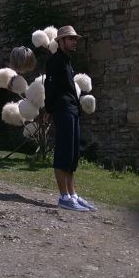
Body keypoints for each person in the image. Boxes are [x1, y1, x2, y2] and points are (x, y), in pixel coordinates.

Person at [43, 25, 96, 211]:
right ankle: (63, 196)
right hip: (62, 110)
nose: (74, 41)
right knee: (63, 152)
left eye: (75, 39)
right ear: (61, 41)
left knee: (73, 154)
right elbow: (50, 88)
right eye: (71, 38)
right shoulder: (55, 61)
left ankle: (72, 194)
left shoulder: (67, 61)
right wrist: (48, 109)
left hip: (73, 110)